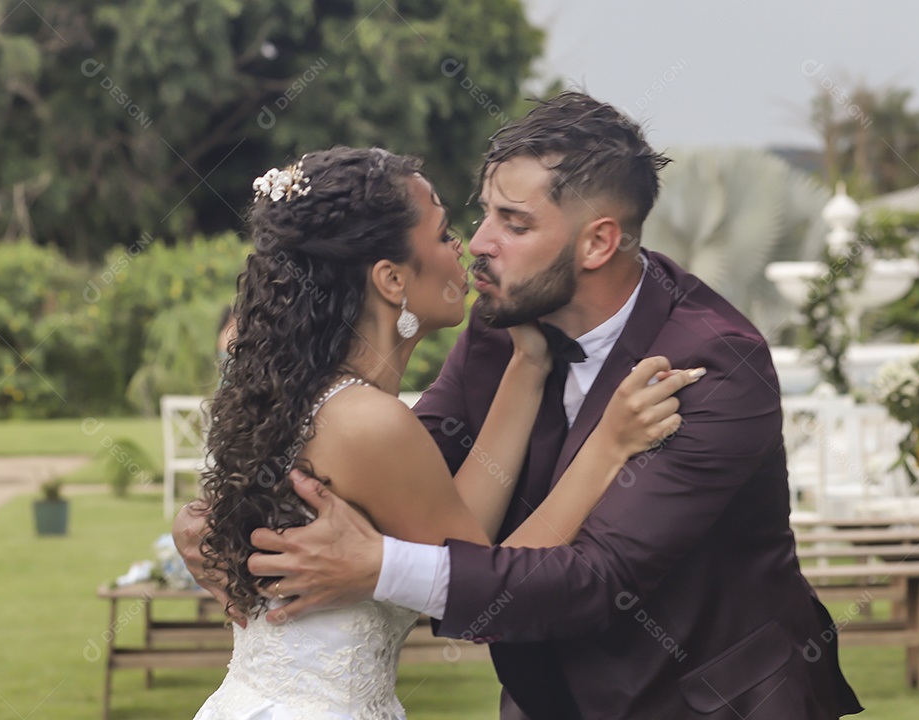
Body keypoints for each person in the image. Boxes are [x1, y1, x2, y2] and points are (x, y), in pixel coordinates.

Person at [219, 94, 865, 719]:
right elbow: (406, 473)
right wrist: (236, 521)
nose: (478, 244)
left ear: (597, 243)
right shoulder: (499, 326)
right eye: (484, 215)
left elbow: (596, 579)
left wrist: (379, 568)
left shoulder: (712, 365)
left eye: (514, 223)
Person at [178, 145, 699, 719]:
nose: (468, 248)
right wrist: (610, 444)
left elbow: (457, 539)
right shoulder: (367, 422)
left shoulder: (306, 399)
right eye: (445, 233)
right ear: (392, 278)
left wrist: (528, 364)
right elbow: (485, 588)